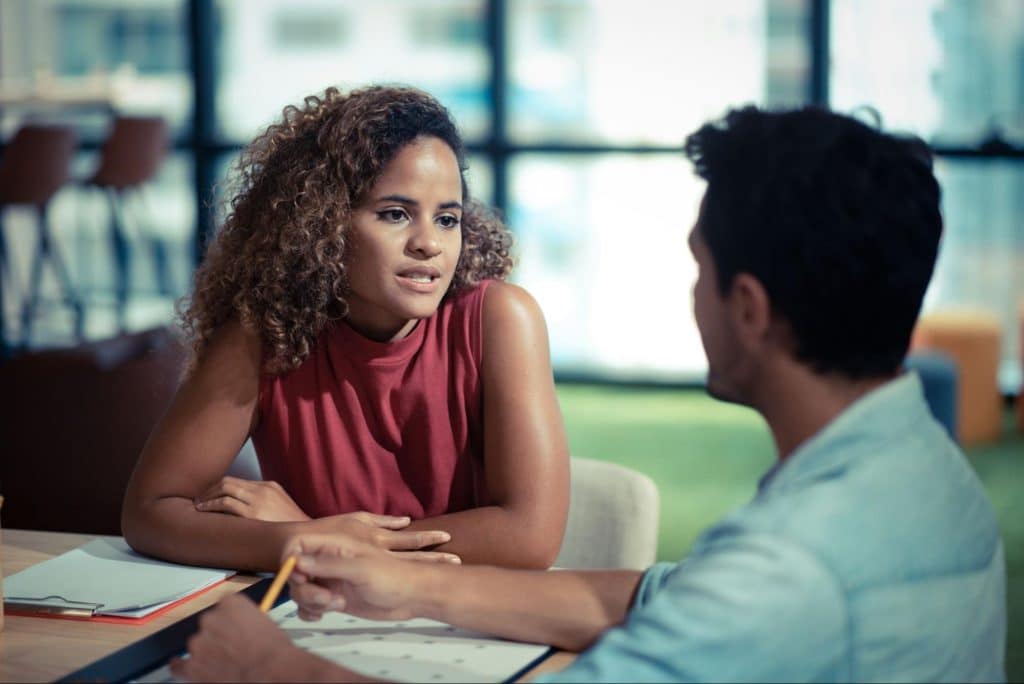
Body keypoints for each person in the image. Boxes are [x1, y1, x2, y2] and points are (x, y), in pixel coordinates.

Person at [171, 106, 1007, 682]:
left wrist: (278, 671)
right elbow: (652, 593)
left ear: (747, 310)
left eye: (698, 270)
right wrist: (398, 580)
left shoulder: (788, 570)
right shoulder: (924, 473)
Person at [122, 85, 570, 572]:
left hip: (463, 624)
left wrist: (322, 538)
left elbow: (530, 538)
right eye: (395, 214)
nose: (429, 243)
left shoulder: (501, 320)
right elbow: (150, 512)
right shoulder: (264, 336)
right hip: (316, 619)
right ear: (322, 223)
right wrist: (305, 540)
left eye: (447, 219)